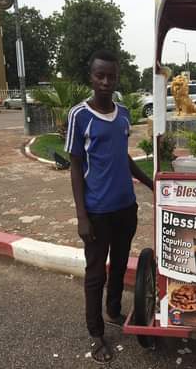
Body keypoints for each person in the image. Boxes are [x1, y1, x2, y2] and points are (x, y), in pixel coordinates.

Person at [64, 50, 153, 364]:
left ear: (117, 77)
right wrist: (81, 216)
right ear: (91, 76)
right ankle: (96, 333)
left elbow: (123, 157)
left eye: (110, 76)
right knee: (94, 275)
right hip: (97, 212)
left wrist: (150, 182)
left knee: (118, 265)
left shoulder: (125, 113)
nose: (105, 81)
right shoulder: (80, 116)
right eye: (99, 75)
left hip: (126, 207)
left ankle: (113, 310)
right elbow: (75, 166)